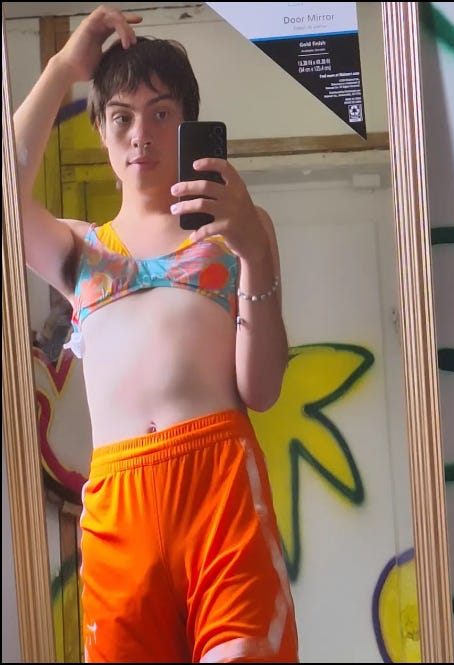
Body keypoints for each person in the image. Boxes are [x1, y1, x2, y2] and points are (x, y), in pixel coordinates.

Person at [13, 5, 298, 663]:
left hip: (219, 490)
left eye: (161, 113)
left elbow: (260, 390)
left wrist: (255, 253)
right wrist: (62, 68)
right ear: (101, 131)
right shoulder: (79, 249)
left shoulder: (236, 233)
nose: (141, 133)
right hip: (119, 508)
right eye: (122, 116)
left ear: (189, 124)